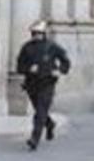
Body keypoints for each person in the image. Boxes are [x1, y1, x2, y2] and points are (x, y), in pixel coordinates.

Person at [16, 19, 71, 151]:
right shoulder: (26, 48)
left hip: (47, 83)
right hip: (32, 84)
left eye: (39, 33)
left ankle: (34, 139)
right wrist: (29, 69)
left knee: (40, 111)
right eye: (35, 33)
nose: (37, 36)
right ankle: (50, 124)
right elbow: (19, 66)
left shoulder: (52, 47)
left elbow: (65, 61)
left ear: (44, 34)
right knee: (39, 110)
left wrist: (59, 71)